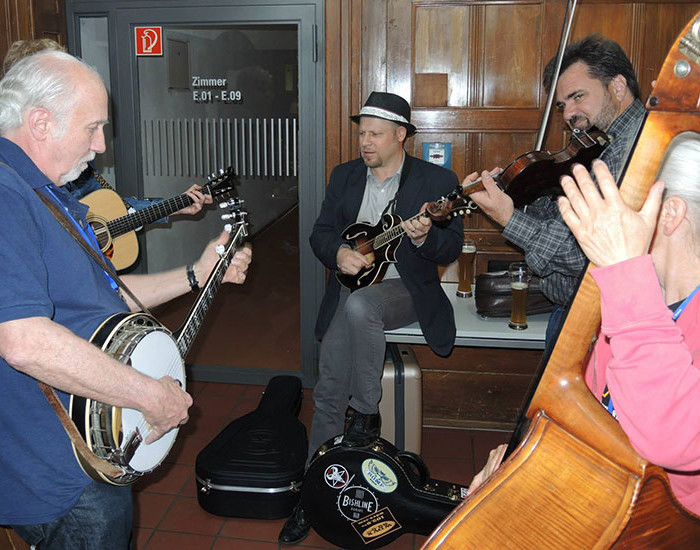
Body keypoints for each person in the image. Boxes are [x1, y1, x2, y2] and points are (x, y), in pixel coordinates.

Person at [0, 50, 252, 549]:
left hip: (86, 446)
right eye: (92, 127)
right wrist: (148, 395)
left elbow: (110, 295)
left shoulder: (51, 194)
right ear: (40, 122)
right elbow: (23, 340)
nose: (100, 144)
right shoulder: (7, 196)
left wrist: (199, 273)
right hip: (60, 470)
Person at [470, 138, 700, 516]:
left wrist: (624, 271)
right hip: (597, 490)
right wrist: (525, 454)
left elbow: (673, 436)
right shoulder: (639, 298)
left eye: (617, 203)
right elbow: (587, 410)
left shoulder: (634, 299)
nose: (601, 220)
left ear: (670, 213)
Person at [278, 92, 464, 545]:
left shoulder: (437, 179)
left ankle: (365, 413)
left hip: (405, 289)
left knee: (364, 308)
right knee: (325, 392)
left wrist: (423, 238)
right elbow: (321, 233)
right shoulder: (344, 176)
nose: (365, 141)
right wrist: (340, 251)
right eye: (361, 131)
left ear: (401, 136)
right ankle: (311, 496)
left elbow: (450, 248)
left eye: (375, 134)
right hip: (351, 287)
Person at [464, 34, 647, 351]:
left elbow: (582, 254)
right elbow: (563, 218)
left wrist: (507, 217)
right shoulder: (605, 147)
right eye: (562, 105)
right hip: (579, 315)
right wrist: (514, 198)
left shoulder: (631, 152)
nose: (567, 114)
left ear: (617, 86)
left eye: (578, 97)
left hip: (599, 323)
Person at [3, 38, 212, 228]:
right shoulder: (10, 192)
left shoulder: (72, 157)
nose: (101, 146)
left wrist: (169, 207)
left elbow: (109, 212)